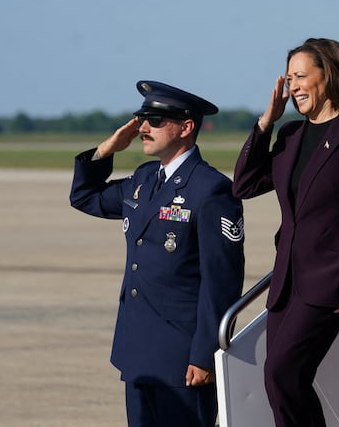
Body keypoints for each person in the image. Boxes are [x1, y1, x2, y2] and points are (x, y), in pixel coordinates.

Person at [233, 37, 339, 427]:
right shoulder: (289, 136)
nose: (294, 87)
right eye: (289, 80)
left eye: (301, 76)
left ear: (329, 74)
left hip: (332, 280)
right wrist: (266, 122)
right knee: (280, 381)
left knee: (282, 373)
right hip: (288, 280)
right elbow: (245, 184)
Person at [69, 81, 245, 427]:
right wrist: (108, 149)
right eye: (141, 119)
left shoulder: (210, 190)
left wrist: (205, 353)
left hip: (182, 356)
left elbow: (221, 280)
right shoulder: (145, 179)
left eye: (155, 120)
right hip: (137, 350)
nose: (143, 128)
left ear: (186, 127)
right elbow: (84, 197)